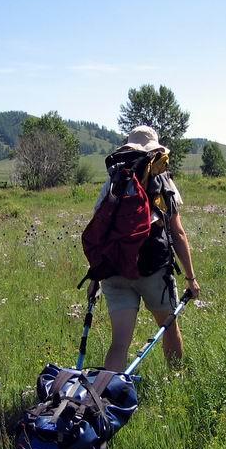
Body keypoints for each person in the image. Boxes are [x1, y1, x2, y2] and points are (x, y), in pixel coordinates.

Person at [86, 125, 200, 371]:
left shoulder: (113, 181)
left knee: (119, 344)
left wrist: (95, 277)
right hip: (153, 271)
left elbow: (100, 231)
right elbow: (178, 233)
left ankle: (107, 399)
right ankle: (176, 381)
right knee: (168, 328)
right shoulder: (162, 180)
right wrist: (191, 278)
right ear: (154, 150)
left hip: (114, 271)